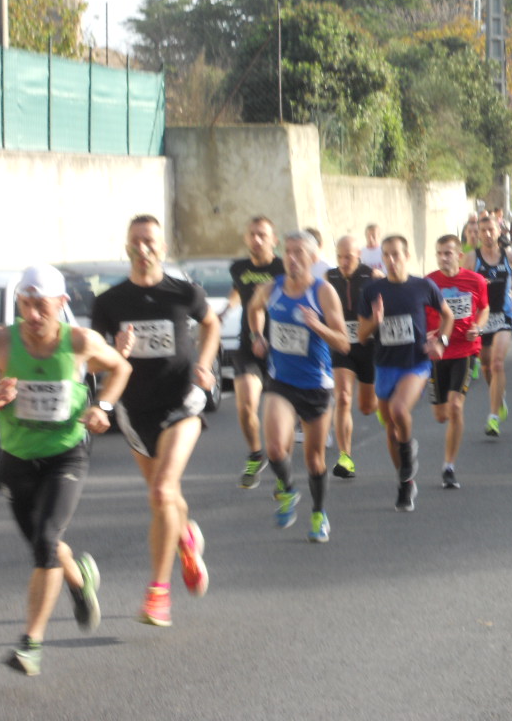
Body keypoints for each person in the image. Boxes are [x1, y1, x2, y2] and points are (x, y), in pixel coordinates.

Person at [0, 265, 131, 676]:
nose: (33, 315)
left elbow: (121, 369)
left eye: (42, 306)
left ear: (62, 303)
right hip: (16, 459)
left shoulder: (79, 342)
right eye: (25, 305)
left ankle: (30, 644)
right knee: (47, 545)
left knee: (45, 542)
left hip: (65, 455)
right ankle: (80, 577)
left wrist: (102, 407)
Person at [91, 214, 221, 626]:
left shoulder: (183, 292)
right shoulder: (109, 303)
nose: (143, 248)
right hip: (134, 411)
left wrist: (204, 364)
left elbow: (212, 323)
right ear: (127, 248)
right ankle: (184, 537)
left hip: (181, 402)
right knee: (163, 496)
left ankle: (158, 595)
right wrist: (118, 350)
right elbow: (97, 357)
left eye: (150, 241)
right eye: (136, 242)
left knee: (163, 491)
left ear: (163, 248)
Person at [247, 231, 349, 542]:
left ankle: (319, 513)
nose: (291, 258)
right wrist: (258, 337)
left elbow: (343, 342)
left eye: (298, 252)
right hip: (281, 382)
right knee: (276, 448)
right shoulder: (271, 288)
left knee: (315, 459)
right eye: (287, 252)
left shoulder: (323, 292)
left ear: (311, 258)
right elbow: (254, 309)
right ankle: (288, 491)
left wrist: (317, 325)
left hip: (316, 386)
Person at [357, 235, 454, 511]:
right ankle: (406, 482)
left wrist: (441, 342)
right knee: (390, 428)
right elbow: (362, 336)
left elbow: (448, 316)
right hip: (385, 364)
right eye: (386, 255)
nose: (391, 260)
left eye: (396, 254)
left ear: (407, 256)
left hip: (416, 363)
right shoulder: (372, 291)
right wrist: (375, 322)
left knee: (400, 411)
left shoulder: (423, 286)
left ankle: (409, 455)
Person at [226, 216, 285, 489]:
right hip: (249, 342)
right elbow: (239, 290)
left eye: (263, 234)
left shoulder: (284, 267)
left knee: (280, 412)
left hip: (284, 345)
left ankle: (280, 460)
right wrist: (226, 309)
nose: (257, 239)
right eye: (252, 234)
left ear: (274, 240)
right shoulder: (238, 268)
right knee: (246, 404)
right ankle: (255, 454)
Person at [426, 235, 489, 488]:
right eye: (440, 253)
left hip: (465, 350)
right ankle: (448, 462)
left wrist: (479, 327)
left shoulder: (475, 280)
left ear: (459, 255)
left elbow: (484, 308)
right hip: (438, 353)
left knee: (455, 407)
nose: (443, 258)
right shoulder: (429, 282)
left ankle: (448, 466)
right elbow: (419, 310)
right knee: (441, 415)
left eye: (448, 253)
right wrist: (426, 336)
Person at [324, 235, 383, 479]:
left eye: (348, 256)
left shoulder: (373, 276)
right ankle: (345, 457)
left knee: (367, 407)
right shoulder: (330, 278)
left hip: (367, 346)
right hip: (342, 346)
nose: (343, 261)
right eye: (339, 256)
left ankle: (380, 404)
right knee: (344, 397)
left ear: (359, 255)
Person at [463, 213, 512, 437]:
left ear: (500, 232)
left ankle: (492, 417)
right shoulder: (472, 258)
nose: (488, 235)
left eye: (492, 230)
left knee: (498, 363)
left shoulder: (509, 256)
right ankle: (499, 397)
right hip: (482, 318)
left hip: (504, 315)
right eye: (483, 231)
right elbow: (463, 286)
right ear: (478, 235)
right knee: (488, 366)